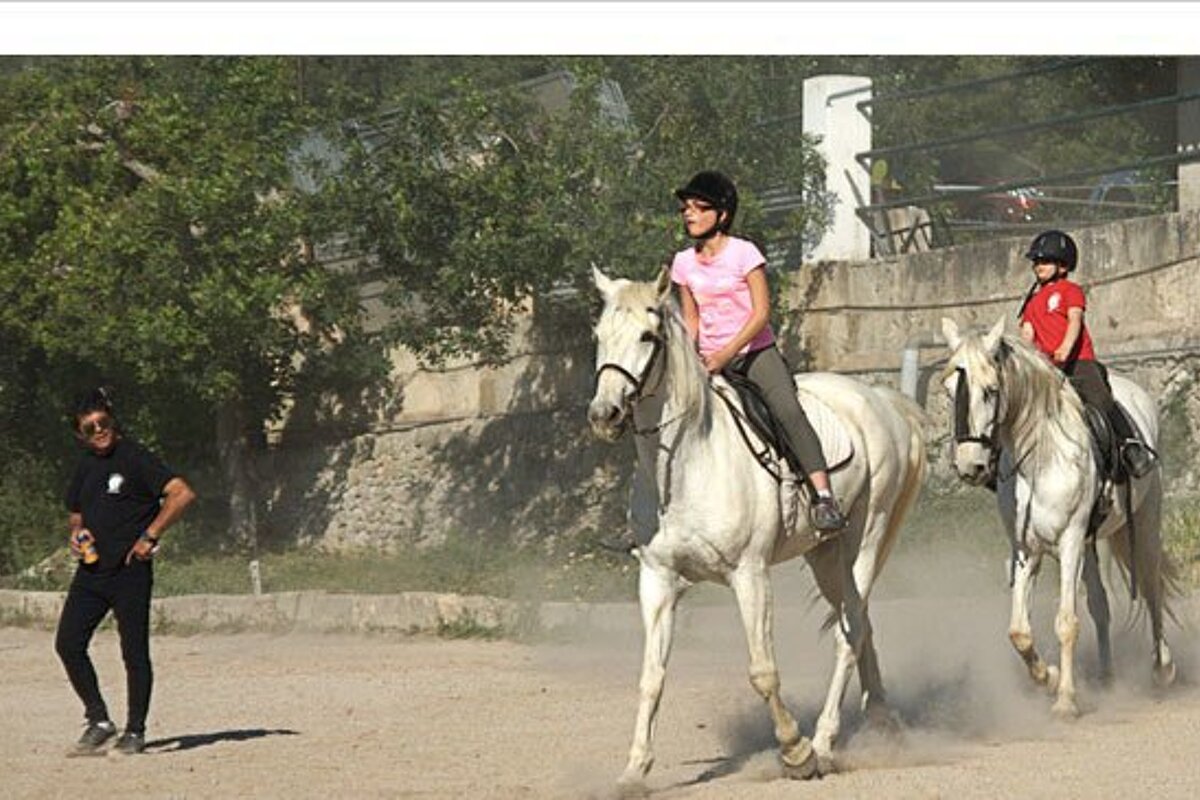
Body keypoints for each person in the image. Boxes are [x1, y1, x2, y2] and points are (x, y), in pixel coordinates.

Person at [671, 170, 847, 533]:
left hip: (754, 354)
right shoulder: (683, 263)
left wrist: (726, 354)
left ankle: (823, 497)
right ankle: (656, 509)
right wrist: (690, 358)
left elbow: (760, 313)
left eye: (698, 207)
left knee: (787, 410)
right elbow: (691, 319)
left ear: (721, 214)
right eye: (686, 208)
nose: (689, 214)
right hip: (706, 360)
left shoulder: (744, 253)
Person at [55, 387, 196, 756]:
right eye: (90, 428)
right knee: (68, 643)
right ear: (79, 435)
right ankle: (99, 721)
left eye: (103, 422)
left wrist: (151, 535)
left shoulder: (135, 458)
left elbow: (181, 493)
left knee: (134, 651)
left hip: (130, 571)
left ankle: (135, 731)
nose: (99, 431)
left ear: (112, 421)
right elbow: (75, 511)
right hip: (92, 572)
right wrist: (76, 534)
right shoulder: (86, 466)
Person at [1017, 229, 1156, 478]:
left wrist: (1065, 350)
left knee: (1100, 399)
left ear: (1063, 265)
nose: (1039, 266)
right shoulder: (1031, 303)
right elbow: (1027, 335)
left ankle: (1131, 447)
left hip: (1077, 361)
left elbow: (1074, 321)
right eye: (1036, 261)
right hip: (1045, 369)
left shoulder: (1070, 290)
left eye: (1045, 261)